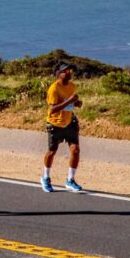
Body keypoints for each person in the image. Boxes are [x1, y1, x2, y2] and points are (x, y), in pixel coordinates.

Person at [42, 63, 85, 193]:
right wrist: (69, 100)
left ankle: (70, 180)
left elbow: (71, 102)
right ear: (59, 73)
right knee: (52, 151)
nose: (70, 73)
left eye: (70, 70)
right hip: (55, 124)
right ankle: (45, 178)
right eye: (66, 71)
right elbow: (53, 109)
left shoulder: (72, 86)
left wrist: (76, 103)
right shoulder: (53, 89)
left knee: (75, 150)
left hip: (70, 121)